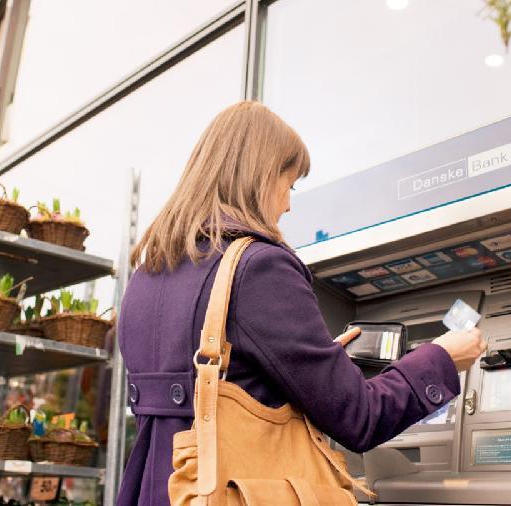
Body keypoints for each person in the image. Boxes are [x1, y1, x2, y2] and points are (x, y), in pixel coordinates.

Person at [115, 101, 485, 505]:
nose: (288, 204)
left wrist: (310, 368)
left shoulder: (145, 277)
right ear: (260, 176)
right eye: (289, 184)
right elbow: (359, 418)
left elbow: (223, 380)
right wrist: (442, 359)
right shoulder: (258, 267)